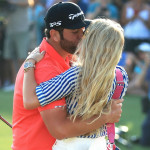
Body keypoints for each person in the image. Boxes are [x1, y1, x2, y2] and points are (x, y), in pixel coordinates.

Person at [12, 2, 124, 150]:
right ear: (55, 35)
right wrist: (105, 117)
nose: (81, 36)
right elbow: (60, 130)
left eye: (83, 30)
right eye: (74, 32)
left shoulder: (70, 59)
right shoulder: (46, 68)